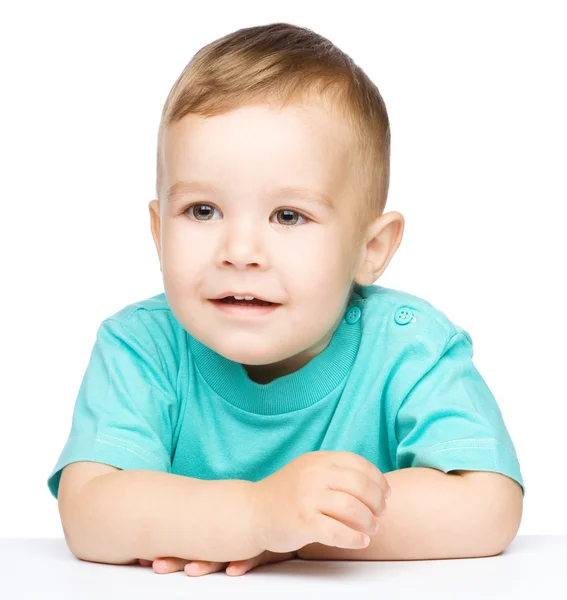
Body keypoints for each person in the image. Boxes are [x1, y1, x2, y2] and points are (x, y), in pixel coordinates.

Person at [47, 22, 524, 576]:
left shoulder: (410, 346)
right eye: (202, 210)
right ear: (159, 232)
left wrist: (298, 535)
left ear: (370, 249)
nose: (240, 250)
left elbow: (489, 504)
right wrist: (255, 515)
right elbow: (88, 511)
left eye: (288, 215)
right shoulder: (142, 346)